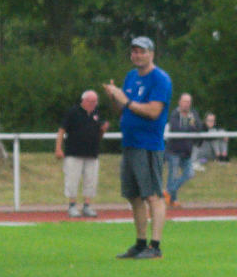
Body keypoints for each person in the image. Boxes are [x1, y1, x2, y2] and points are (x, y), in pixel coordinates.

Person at [103, 35, 172, 258]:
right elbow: (122, 110)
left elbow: (153, 111)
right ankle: (141, 243)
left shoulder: (160, 79)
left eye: (142, 51)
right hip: (130, 143)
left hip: (148, 144)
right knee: (133, 195)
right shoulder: (131, 77)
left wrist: (126, 101)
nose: (137, 55)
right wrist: (114, 98)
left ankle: (155, 246)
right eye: (134, 51)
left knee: (153, 195)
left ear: (151, 54)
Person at [55, 89, 106, 217]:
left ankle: (87, 206)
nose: (94, 104)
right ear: (84, 100)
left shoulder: (96, 113)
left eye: (95, 101)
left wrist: (103, 130)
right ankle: (72, 205)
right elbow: (61, 130)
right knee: (72, 179)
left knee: (91, 180)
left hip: (92, 153)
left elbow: (99, 134)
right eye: (91, 101)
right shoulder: (73, 112)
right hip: (74, 152)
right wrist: (58, 148)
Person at [165, 93, 202, 206]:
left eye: (189, 102)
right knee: (173, 175)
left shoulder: (193, 114)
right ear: (179, 102)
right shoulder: (174, 114)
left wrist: (190, 125)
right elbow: (176, 129)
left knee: (190, 173)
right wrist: (191, 127)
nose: (187, 104)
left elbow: (199, 127)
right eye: (185, 101)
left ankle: (168, 192)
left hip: (187, 152)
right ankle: (172, 200)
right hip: (174, 151)